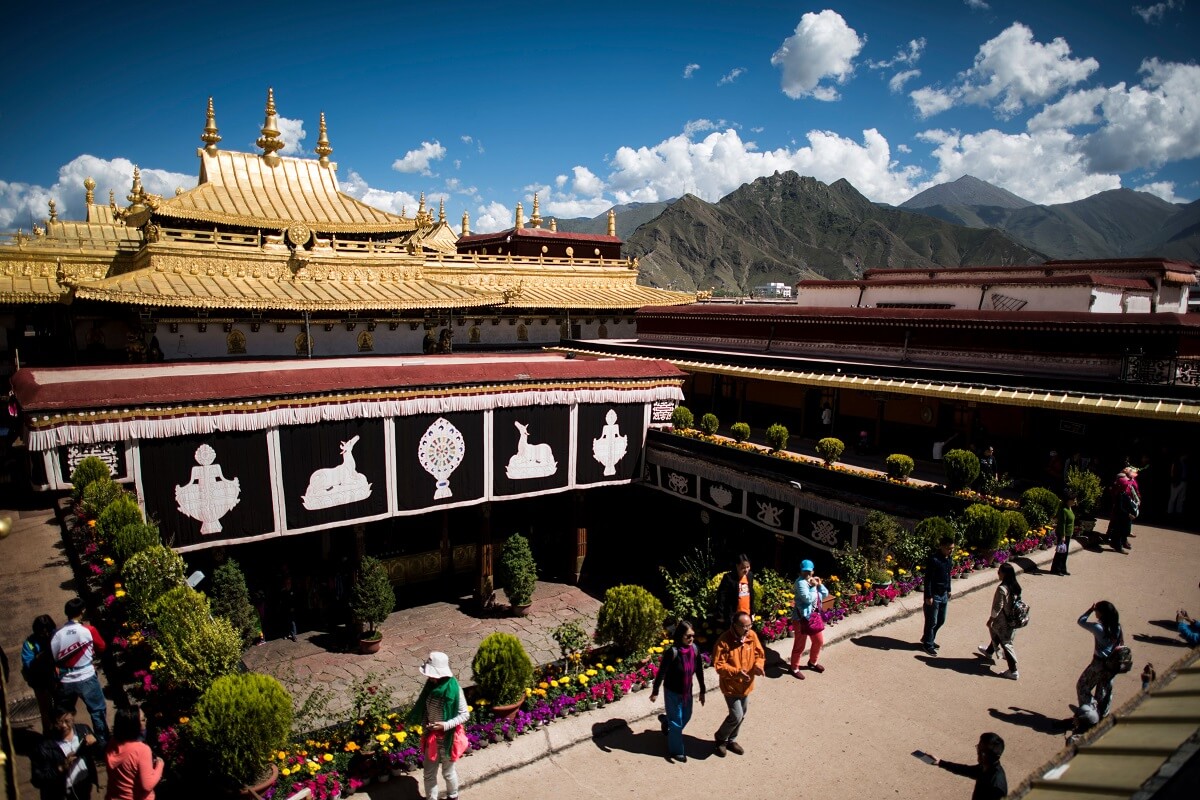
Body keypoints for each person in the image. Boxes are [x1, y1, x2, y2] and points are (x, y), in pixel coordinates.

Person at [405, 651, 469, 800]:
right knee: (429, 773)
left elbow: (465, 715)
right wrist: (425, 726)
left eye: (432, 674)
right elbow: (425, 710)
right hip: (432, 738)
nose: (429, 677)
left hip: (449, 739)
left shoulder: (454, 689)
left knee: (448, 772)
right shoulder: (430, 687)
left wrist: (445, 725)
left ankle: (453, 796)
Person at [51, 598, 109, 745]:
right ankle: (103, 744)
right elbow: (102, 646)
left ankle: (64, 744)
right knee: (97, 712)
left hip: (66, 680)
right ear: (82, 612)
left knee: (63, 715)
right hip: (87, 676)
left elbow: (54, 656)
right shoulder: (89, 630)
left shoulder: (57, 634)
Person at [650, 620, 707, 763]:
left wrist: (702, 690)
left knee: (686, 716)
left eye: (692, 635)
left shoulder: (694, 650)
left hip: (687, 692)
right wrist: (655, 691)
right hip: (672, 692)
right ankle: (677, 751)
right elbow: (662, 672)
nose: (691, 639)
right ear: (680, 635)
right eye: (688, 636)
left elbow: (699, 670)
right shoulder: (672, 652)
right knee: (676, 723)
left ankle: (666, 721)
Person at [712, 611, 764, 758]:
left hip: (747, 685)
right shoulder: (724, 641)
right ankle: (720, 738)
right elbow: (719, 666)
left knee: (742, 715)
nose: (748, 629)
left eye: (750, 625)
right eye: (744, 626)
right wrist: (736, 673)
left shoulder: (752, 636)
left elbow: (759, 654)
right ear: (735, 625)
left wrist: (759, 665)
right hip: (731, 686)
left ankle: (731, 740)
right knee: (736, 715)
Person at [30, 704, 100, 800]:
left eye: (67, 721)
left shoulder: (83, 730)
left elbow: (101, 751)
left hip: (85, 786)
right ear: (52, 723)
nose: (64, 726)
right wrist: (60, 768)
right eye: (58, 722)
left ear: (73, 716)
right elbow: (37, 780)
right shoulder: (43, 747)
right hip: (61, 794)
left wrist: (96, 740)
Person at [1075, 601, 1123, 728]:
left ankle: (1090, 714)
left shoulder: (1098, 628)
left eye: (1097, 610)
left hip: (1099, 664)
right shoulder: (1117, 627)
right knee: (1103, 692)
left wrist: (1089, 610)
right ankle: (1102, 717)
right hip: (1112, 665)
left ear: (1101, 613)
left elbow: (1081, 621)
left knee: (1082, 686)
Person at [105, 706, 162, 800]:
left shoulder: (113, 742)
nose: (146, 720)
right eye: (143, 719)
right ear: (134, 726)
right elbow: (147, 785)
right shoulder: (142, 750)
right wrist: (160, 765)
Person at [929, 732, 1008, 800]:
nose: (978, 754)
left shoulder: (997, 787)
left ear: (994, 756)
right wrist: (940, 762)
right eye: (978, 748)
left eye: (982, 751)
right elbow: (965, 770)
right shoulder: (985, 767)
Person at [976, 562, 1021, 679]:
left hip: (1002, 621)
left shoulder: (1002, 588)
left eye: (999, 572)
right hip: (1012, 619)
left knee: (1005, 643)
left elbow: (998, 606)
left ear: (1004, 574)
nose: (998, 574)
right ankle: (990, 651)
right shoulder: (1015, 587)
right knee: (997, 634)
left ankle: (1013, 670)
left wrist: (991, 619)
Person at [789, 559, 829, 678]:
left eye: (809, 571)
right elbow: (807, 598)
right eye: (804, 571)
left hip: (813, 617)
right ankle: (794, 667)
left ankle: (812, 662)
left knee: (818, 641)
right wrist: (813, 587)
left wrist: (820, 584)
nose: (807, 574)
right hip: (801, 619)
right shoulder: (800, 583)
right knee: (799, 645)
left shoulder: (813, 581)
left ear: (813, 571)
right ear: (800, 572)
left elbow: (825, 594)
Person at [22, 614, 60, 734]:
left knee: (61, 707)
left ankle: (62, 732)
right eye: (42, 633)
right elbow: (28, 663)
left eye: (48, 632)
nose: (46, 635)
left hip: (56, 678)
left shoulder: (56, 636)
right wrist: (42, 656)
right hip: (40, 681)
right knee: (45, 710)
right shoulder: (29, 644)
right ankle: (48, 735)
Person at [921, 535, 955, 655]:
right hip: (934, 595)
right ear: (941, 547)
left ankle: (928, 638)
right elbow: (928, 580)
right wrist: (928, 596)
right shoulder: (934, 560)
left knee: (941, 620)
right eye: (948, 548)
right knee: (932, 621)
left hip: (944, 593)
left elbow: (948, 575)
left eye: (952, 549)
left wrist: (949, 589)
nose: (950, 551)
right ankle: (928, 644)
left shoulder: (948, 559)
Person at [715, 554, 754, 627]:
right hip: (733, 615)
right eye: (743, 568)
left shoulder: (750, 576)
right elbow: (721, 596)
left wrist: (753, 611)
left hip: (747, 614)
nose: (746, 570)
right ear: (737, 566)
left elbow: (751, 594)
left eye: (748, 567)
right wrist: (720, 615)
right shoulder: (728, 578)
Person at [1108, 471, 1137, 553]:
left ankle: (1118, 544)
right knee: (1119, 532)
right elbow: (1119, 508)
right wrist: (1128, 514)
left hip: (1123, 516)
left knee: (1123, 531)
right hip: (1120, 517)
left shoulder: (1123, 493)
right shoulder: (1119, 495)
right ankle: (1118, 546)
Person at [1051, 490, 1078, 576]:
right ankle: (1057, 569)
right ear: (1068, 500)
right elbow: (1062, 524)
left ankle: (1063, 568)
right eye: (1073, 500)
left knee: (1064, 552)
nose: (1075, 501)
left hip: (1068, 534)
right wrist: (1063, 535)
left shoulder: (1069, 508)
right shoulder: (1064, 510)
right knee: (1061, 552)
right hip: (1063, 534)